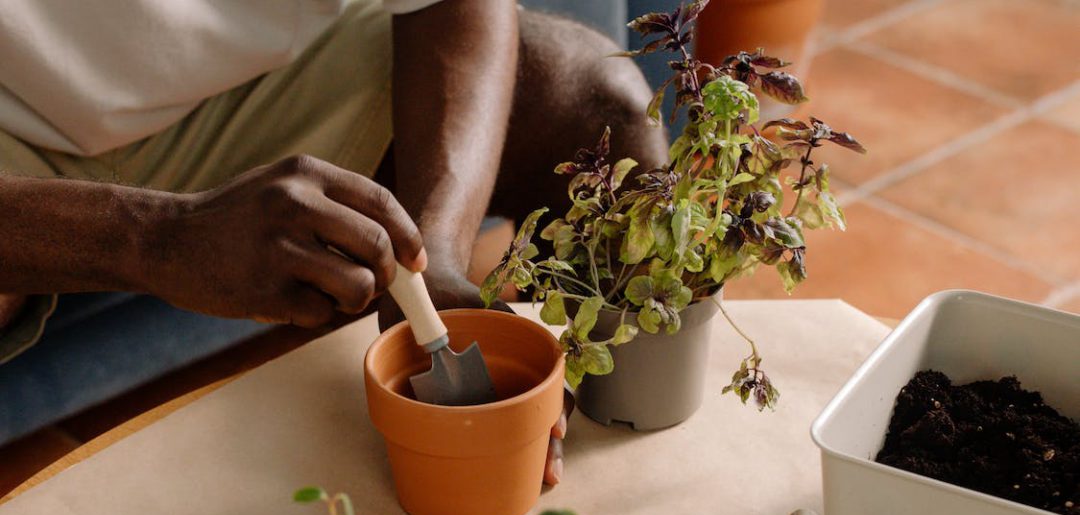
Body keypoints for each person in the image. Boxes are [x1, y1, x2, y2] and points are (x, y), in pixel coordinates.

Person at [0, 0, 668, 483]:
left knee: (602, 111)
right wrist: (158, 238)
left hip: (260, 76)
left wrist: (431, 242)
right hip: (16, 120)